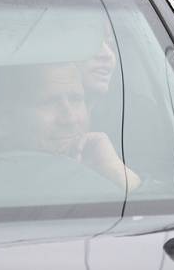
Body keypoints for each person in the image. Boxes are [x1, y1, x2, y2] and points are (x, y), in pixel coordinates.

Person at [13, 62, 141, 192]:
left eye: (76, 99)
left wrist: (118, 172)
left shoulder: (103, 168)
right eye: (49, 102)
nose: (70, 119)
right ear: (2, 121)